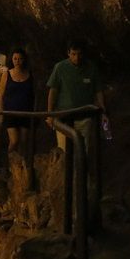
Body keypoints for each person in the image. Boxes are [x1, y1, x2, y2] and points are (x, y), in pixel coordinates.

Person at [45, 39, 108, 202]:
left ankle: (83, 187)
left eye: (79, 54)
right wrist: (50, 114)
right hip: (64, 118)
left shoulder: (91, 68)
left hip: (84, 117)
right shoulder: (60, 68)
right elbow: (53, 91)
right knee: (65, 152)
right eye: (73, 54)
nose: (77, 58)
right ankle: (66, 188)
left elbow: (98, 90)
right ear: (68, 54)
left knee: (84, 151)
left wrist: (103, 109)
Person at [2, 49, 35, 152]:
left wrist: (35, 111)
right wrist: (1, 112)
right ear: (12, 60)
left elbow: (34, 93)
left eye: (20, 58)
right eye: (15, 58)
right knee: (14, 140)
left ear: (24, 59)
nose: (17, 61)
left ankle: (20, 164)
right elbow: (1, 94)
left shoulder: (30, 74)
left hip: (25, 111)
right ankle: (9, 162)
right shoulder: (7, 74)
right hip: (10, 112)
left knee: (24, 141)